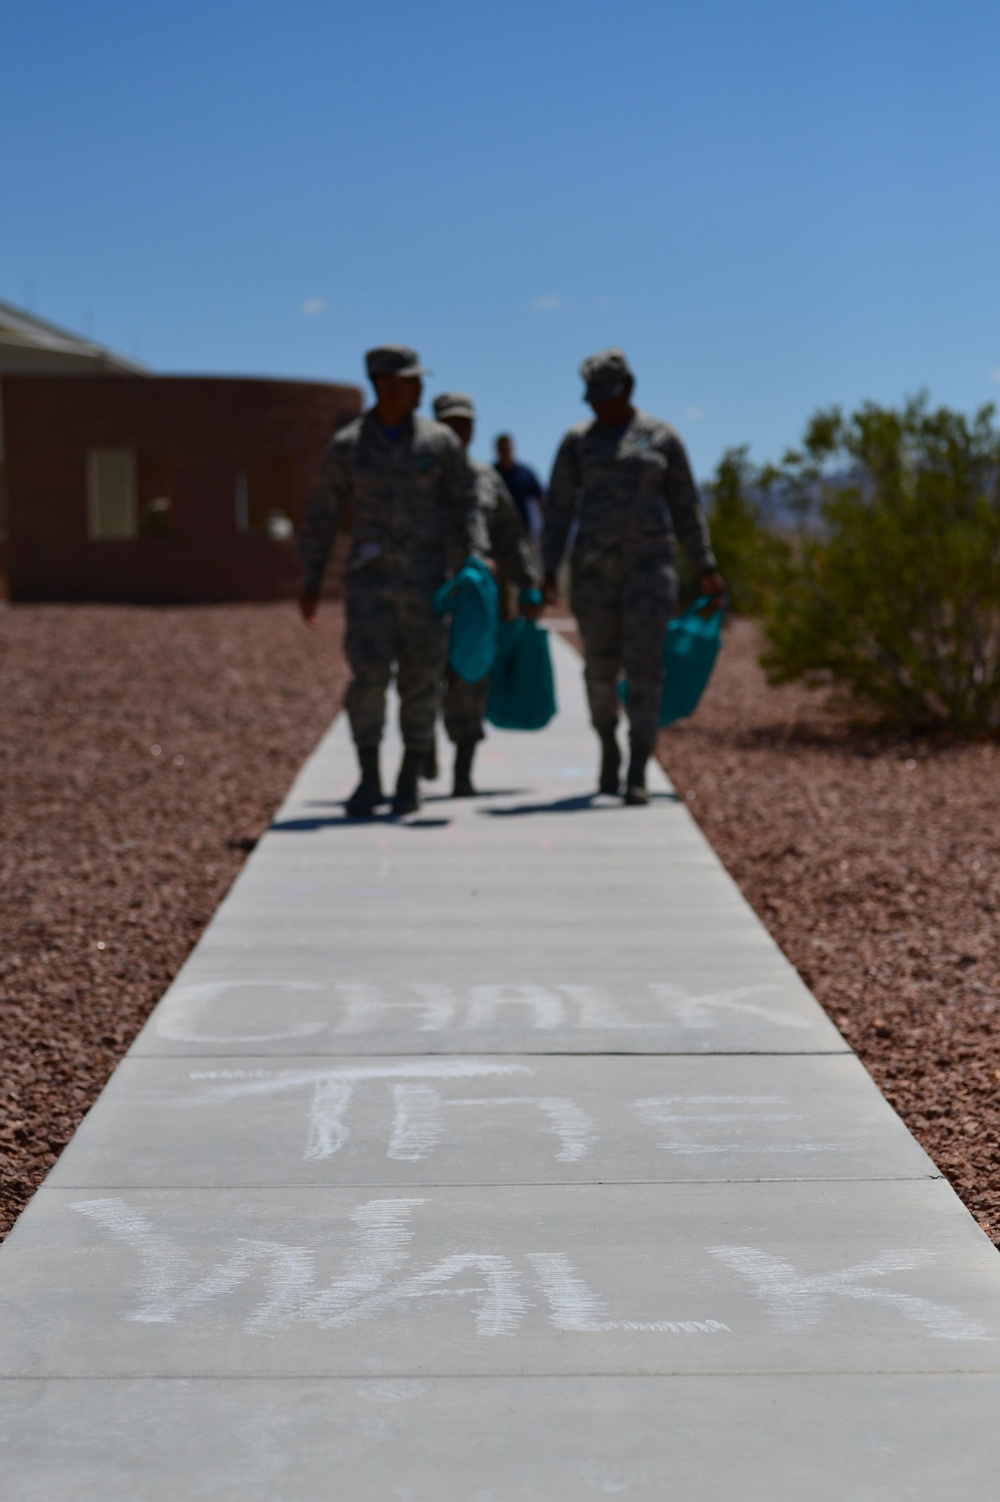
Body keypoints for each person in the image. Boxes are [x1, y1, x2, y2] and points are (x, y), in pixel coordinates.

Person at [299, 345, 486, 818]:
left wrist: (473, 560)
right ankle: (369, 778)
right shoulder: (349, 446)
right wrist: (312, 578)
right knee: (367, 680)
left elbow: (466, 503)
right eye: (410, 381)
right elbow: (323, 515)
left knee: (421, 684)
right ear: (383, 386)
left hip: (428, 586)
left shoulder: (438, 442)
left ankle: (409, 777)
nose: (420, 388)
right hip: (369, 586)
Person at [542, 348, 725, 806]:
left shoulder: (661, 438)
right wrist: (545, 571)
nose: (601, 407)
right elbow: (559, 511)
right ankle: (607, 744)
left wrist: (705, 565)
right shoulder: (577, 442)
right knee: (601, 669)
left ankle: (639, 763)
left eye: (608, 396)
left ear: (628, 389)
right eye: (594, 399)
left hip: (649, 573)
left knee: (645, 669)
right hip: (593, 576)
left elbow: (686, 506)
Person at [433, 393, 542, 795]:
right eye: (449, 424)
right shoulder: (418, 474)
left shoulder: (486, 478)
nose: (458, 432)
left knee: (470, 681)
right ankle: (421, 751)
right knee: (421, 679)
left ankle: (463, 768)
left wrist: (528, 584)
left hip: (476, 603)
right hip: (426, 596)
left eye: (464, 424)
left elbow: (511, 537)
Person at [494, 433, 544, 538]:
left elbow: (541, 501)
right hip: (496, 532)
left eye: (506, 448)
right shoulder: (490, 474)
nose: (504, 452)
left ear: (512, 448)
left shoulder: (525, 473)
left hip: (523, 531)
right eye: (501, 449)